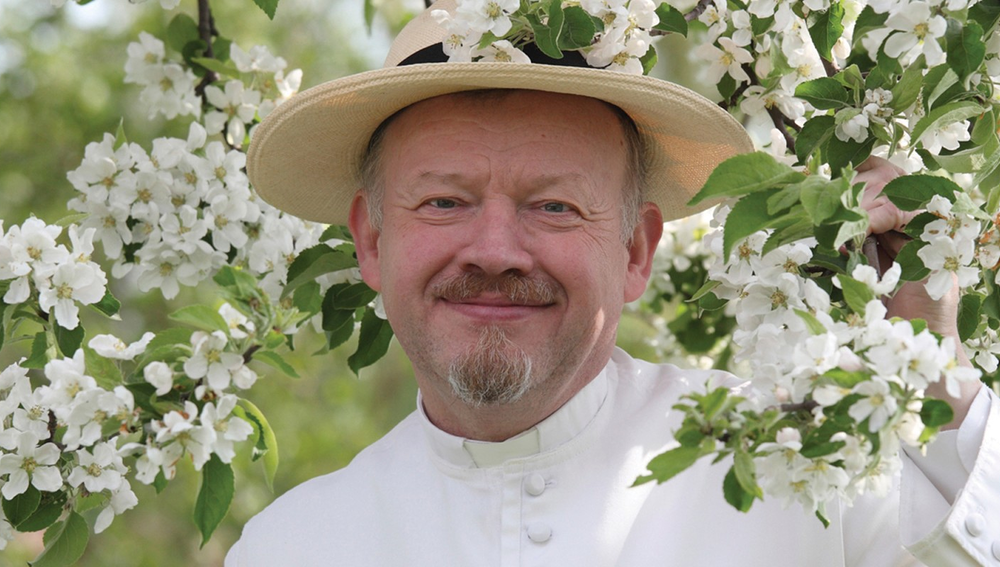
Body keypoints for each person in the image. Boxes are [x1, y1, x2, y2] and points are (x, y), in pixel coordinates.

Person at [226, 1, 1000, 565]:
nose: (495, 249)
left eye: (554, 205)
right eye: (444, 201)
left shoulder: (801, 472)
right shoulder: (290, 546)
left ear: (636, 249)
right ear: (370, 238)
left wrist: (932, 368)